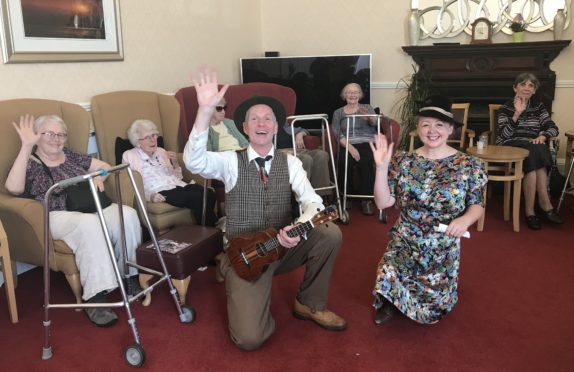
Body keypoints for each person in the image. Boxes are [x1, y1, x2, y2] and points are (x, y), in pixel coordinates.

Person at [183, 69, 346, 351]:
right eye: (254, 119)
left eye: (268, 118)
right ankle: (235, 277)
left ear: (275, 127)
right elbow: (193, 162)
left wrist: (298, 227)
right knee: (249, 339)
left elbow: (313, 202)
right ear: (244, 128)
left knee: (330, 233)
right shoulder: (229, 162)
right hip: (246, 255)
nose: (261, 123)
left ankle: (309, 304)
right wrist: (205, 111)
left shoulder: (292, 163)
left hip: (283, 247)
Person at [5, 114, 142, 328]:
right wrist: (25, 146)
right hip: (56, 214)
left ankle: (130, 276)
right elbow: (13, 188)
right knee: (88, 226)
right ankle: (96, 298)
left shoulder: (70, 154)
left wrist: (99, 176)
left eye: (61, 135)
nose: (56, 139)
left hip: (89, 206)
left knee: (128, 215)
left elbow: (104, 165)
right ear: (36, 136)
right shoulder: (29, 161)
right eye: (49, 133)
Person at [369, 95, 487, 325]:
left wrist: (464, 220)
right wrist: (381, 169)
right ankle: (390, 300)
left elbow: (477, 204)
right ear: (418, 129)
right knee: (387, 272)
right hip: (406, 236)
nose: (432, 131)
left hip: (443, 240)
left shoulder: (469, 165)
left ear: (451, 129)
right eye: (426, 124)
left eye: (439, 125)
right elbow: (383, 203)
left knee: (435, 308)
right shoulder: (403, 160)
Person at [496, 72, 563, 230]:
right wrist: (517, 113)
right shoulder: (506, 108)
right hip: (510, 145)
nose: (527, 88)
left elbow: (553, 128)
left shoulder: (538, 108)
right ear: (515, 88)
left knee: (536, 147)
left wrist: (543, 135)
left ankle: (531, 211)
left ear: (533, 91)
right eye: (523, 84)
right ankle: (544, 204)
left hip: (532, 147)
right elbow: (503, 135)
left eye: (531, 85)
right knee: (534, 148)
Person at [122, 119, 218, 227]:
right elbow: (132, 185)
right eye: (147, 137)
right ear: (137, 142)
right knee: (196, 197)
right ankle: (211, 229)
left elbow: (178, 177)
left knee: (209, 193)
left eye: (154, 135)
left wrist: (175, 162)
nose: (153, 140)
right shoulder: (129, 155)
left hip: (178, 186)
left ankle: (208, 230)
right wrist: (151, 196)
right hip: (160, 191)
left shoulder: (161, 151)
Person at [331, 82, 378, 215]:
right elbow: (337, 133)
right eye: (349, 92)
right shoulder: (338, 112)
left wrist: (369, 118)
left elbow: (376, 123)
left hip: (366, 143)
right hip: (347, 143)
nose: (352, 95)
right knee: (344, 162)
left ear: (360, 95)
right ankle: (347, 196)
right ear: (344, 95)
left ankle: (366, 200)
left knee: (366, 162)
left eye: (355, 92)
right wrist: (351, 148)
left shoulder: (367, 108)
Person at [275, 120, 332, 197]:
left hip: (296, 150)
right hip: (280, 152)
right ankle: (303, 199)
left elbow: (302, 130)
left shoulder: (283, 125)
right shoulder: (261, 126)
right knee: (306, 159)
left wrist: (300, 134)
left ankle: (320, 198)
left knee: (321, 155)